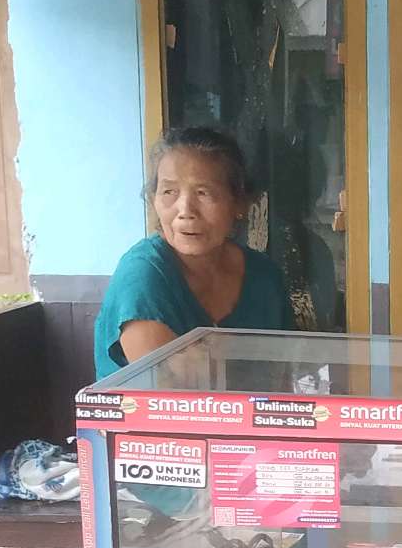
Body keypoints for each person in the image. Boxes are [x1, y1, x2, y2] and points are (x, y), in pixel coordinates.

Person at [93, 126, 295, 380]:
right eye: (169, 192)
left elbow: (285, 377)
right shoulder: (141, 276)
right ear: (153, 199)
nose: (185, 210)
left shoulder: (264, 277)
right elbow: (171, 393)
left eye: (203, 193)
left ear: (239, 203)